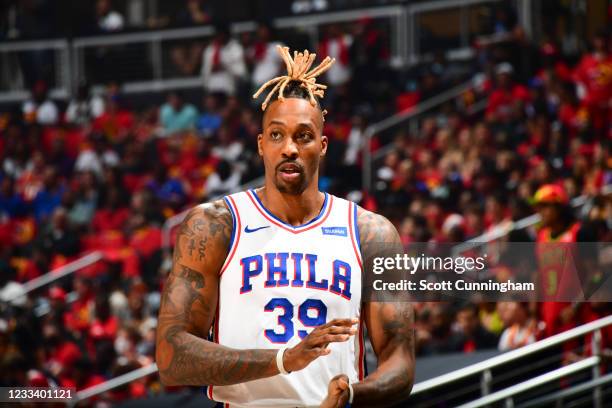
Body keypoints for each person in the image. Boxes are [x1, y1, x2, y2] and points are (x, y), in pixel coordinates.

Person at [156, 46, 415, 407]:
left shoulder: (371, 234)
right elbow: (171, 356)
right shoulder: (216, 225)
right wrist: (283, 360)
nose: (289, 148)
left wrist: (354, 394)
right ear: (261, 145)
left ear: (322, 146)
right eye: (277, 135)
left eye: (303, 136)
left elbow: (400, 359)